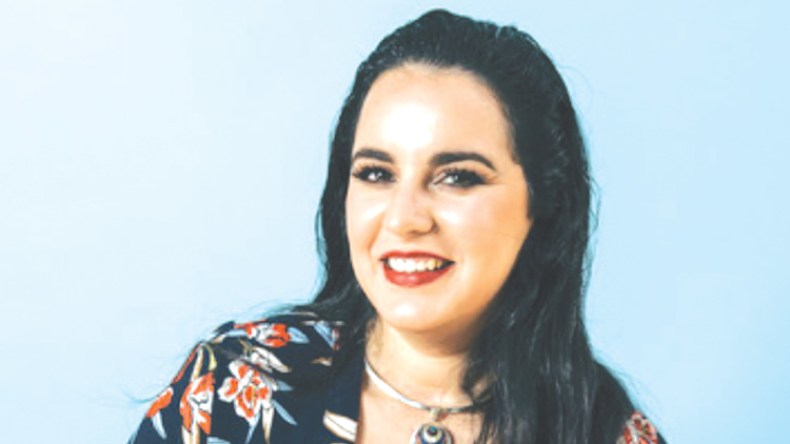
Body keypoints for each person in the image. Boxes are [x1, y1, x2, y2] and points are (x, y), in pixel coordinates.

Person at [129, 9, 663, 444]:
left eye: (457, 177)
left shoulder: (609, 435)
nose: (405, 218)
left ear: (544, 205)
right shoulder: (232, 388)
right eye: (376, 173)